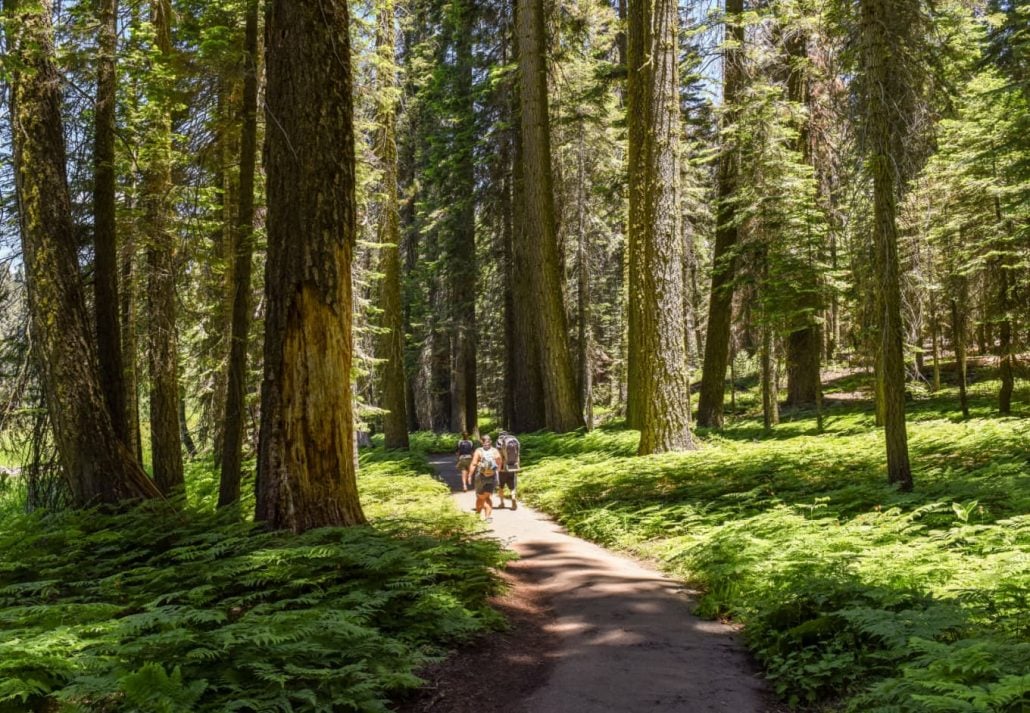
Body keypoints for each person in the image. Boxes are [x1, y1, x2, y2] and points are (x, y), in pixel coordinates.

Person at [468, 434, 502, 522]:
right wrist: (495, 472)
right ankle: (487, 517)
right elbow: (499, 463)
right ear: (490, 441)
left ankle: (478, 515)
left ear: (481, 442)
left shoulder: (478, 451)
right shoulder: (495, 451)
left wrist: (470, 475)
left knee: (480, 497)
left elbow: (473, 463)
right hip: (492, 477)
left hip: (480, 477)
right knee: (487, 497)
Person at [496, 430, 521, 510]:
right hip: (512, 467)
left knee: (501, 487)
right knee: (512, 487)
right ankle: (513, 499)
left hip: (503, 469)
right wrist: (518, 467)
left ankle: (502, 503)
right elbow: (518, 455)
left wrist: (498, 468)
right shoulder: (514, 442)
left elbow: (498, 457)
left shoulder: (499, 442)